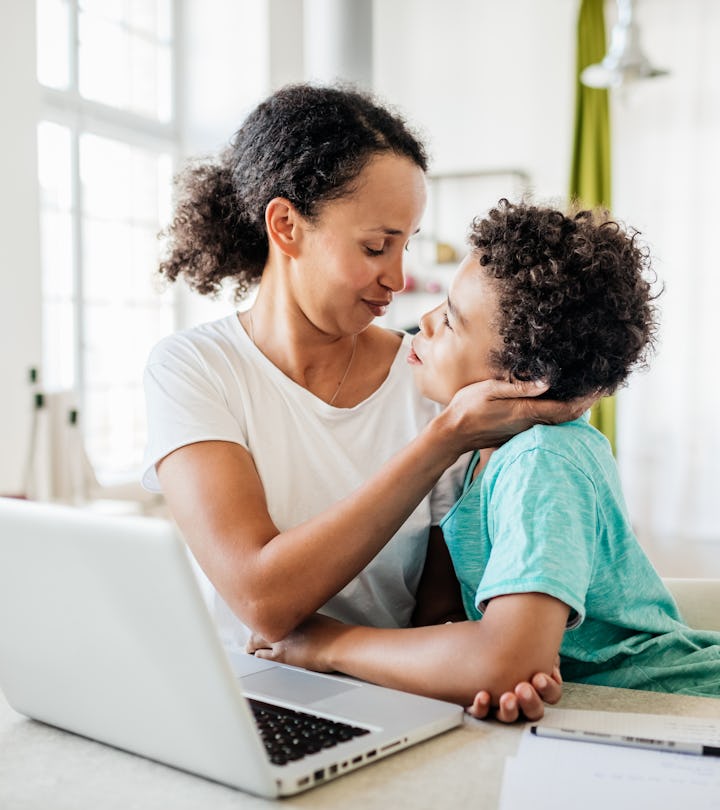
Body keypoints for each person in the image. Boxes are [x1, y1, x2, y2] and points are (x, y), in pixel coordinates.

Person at [143, 85, 589, 720]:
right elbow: (261, 602)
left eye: (407, 244)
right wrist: (440, 443)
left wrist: (487, 674)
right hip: (241, 700)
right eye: (376, 246)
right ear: (286, 226)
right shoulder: (193, 369)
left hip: (394, 701)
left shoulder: (434, 379)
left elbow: (440, 607)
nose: (399, 279)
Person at [247, 199, 720, 706]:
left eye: (451, 320)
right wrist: (488, 664)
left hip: (682, 709)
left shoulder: (542, 462)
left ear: (523, 378)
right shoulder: (485, 455)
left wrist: (325, 643)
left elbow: (505, 661)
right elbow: (478, 643)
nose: (424, 321)